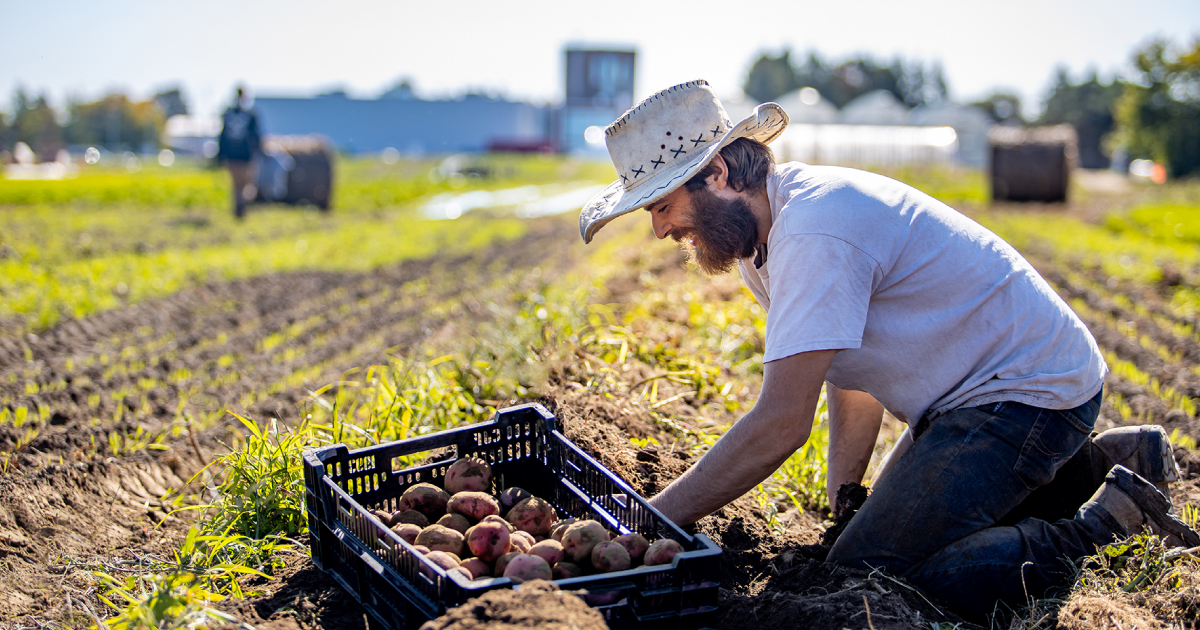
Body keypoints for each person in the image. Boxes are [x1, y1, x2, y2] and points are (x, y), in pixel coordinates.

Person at [578, 80, 1198, 620]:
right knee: (872, 543)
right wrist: (847, 499)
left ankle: (1107, 524)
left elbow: (780, 424)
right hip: (975, 405)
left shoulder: (815, 230)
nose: (659, 229)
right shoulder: (766, 238)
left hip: (1027, 397)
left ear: (717, 175)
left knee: (884, 576)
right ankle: (1115, 459)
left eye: (661, 206)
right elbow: (852, 370)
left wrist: (648, 519)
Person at [217, 86, 262, 218]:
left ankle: (238, 206)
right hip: (246, 156)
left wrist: (220, 156)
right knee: (247, 184)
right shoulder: (250, 115)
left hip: (231, 156)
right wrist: (258, 152)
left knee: (235, 185)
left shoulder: (227, 114)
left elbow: (222, 137)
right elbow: (256, 136)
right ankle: (242, 206)